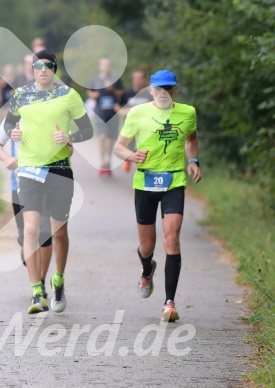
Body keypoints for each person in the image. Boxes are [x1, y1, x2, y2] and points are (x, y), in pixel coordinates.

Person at [4, 50, 93, 314]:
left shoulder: (69, 95)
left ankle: (59, 280)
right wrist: (15, 132)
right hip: (29, 169)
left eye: (48, 66)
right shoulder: (20, 95)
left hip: (59, 169)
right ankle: (36, 291)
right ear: (32, 69)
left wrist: (69, 139)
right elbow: (9, 126)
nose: (43, 69)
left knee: (59, 232)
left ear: (55, 69)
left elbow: (87, 130)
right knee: (31, 230)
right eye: (38, 65)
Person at [113, 69, 201, 322]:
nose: (162, 93)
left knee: (172, 238)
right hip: (145, 182)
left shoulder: (188, 112)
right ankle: (146, 269)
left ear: (175, 90)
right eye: (158, 89)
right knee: (147, 246)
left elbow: (191, 139)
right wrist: (130, 156)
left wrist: (193, 160)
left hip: (174, 180)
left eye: (167, 88)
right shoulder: (137, 113)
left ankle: (169, 302)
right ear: (150, 90)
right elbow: (119, 147)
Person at [0, 122, 54, 298]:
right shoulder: (14, 117)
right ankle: (26, 247)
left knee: (45, 233)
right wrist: (7, 159)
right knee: (26, 235)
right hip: (20, 184)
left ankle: (39, 284)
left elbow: (68, 148)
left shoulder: (51, 111)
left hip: (48, 182)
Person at [87, 58, 124, 176]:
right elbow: (89, 91)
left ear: (110, 66)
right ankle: (102, 162)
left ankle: (108, 162)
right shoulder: (95, 79)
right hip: (100, 111)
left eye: (108, 65)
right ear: (100, 66)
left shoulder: (115, 79)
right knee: (102, 136)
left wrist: (112, 89)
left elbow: (121, 93)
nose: (105, 67)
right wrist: (94, 94)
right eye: (103, 65)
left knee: (111, 137)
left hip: (112, 111)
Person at [118, 70, 152, 172]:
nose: (137, 80)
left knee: (141, 147)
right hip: (130, 126)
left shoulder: (149, 93)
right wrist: (122, 111)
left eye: (139, 78)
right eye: (135, 78)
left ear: (144, 80)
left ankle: (142, 169)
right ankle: (129, 159)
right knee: (129, 146)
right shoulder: (126, 93)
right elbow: (117, 105)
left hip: (145, 126)